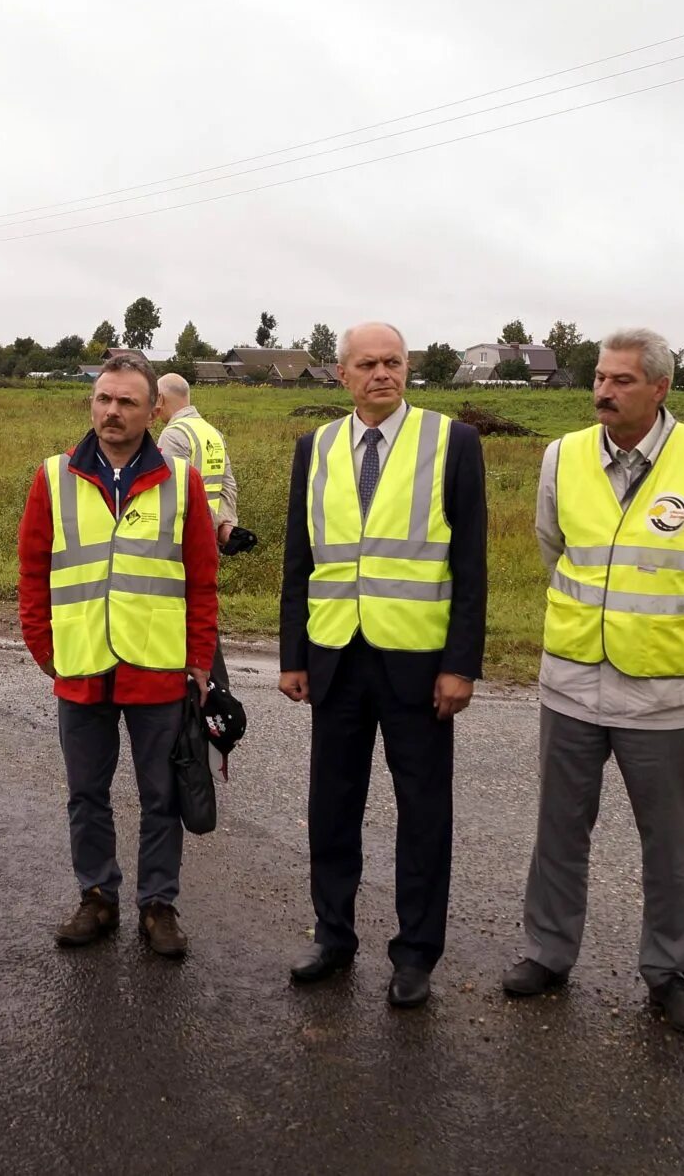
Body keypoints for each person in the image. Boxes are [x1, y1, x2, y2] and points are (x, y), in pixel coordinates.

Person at [501, 329, 684, 1035]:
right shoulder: (564, 455)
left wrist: (663, 626)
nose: (603, 392)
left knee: (670, 845)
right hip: (573, 683)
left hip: (664, 694)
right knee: (559, 829)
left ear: (660, 388)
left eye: (620, 381)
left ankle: (671, 974)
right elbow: (554, 549)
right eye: (600, 379)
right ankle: (547, 953)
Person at [278, 322, 487, 1009]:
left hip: (418, 665)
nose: (382, 374)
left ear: (409, 369)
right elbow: (300, 560)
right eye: (367, 364)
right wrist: (293, 656)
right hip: (336, 657)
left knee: (423, 813)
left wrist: (461, 665)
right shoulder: (317, 447)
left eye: (393, 362)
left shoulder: (450, 441)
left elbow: (470, 565)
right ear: (342, 375)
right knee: (332, 809)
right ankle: (333, 938)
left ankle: (415, 954)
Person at [16, 353, 218, 959]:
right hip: (80, 668)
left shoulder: (182, 482)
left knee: (161, 796)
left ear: (152, 409)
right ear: (92, 403)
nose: (112, 411)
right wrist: (43, 646)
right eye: (104, 399)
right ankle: (97, 896)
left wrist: (200, 658)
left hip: (157, 669)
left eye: (127, 402)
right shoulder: (54, 477)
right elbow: (33, 570)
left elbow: (201, 578)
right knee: (86, 793)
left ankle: (159, 905)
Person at [156, 372, 240, 688]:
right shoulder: (211, 432)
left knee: (181, 615)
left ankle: (198, 694)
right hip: (208, 540)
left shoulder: (174, 435)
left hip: (183, 542)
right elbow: (227, 484)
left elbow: (171, 495)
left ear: (160, 400)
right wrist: (224, 525)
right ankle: (216, 690)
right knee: (202, 612)